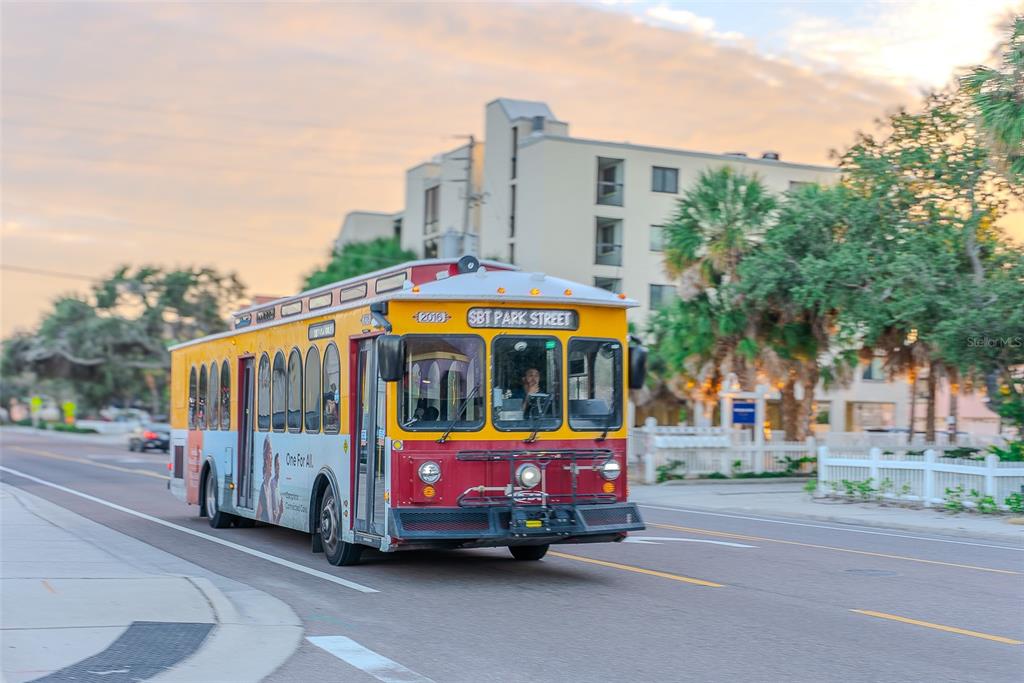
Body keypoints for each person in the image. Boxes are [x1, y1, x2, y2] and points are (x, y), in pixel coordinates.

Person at [255, 438, 273, 523]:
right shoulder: (265, 486)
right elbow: (258, 515)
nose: (271, 456)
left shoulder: (270, 483)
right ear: (266, 458)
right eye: (270, 453)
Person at [269, 453, 284, 524]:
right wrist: (280, 513)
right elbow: (273, 519)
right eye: (277, 465)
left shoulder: (279, 483)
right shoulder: (272, 484)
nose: (279, 467)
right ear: (274, 467)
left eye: (280, 465)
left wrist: (280, 512)